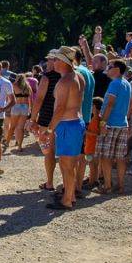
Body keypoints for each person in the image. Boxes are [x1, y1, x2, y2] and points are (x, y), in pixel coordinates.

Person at [45, 47, 85, 210]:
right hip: (75, 122)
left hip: (68, 125)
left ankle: (67, 200)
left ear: (63, 62)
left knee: (67, 165)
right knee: (70, 164)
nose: (52, 62)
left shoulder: (65, 81)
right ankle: (70, 195)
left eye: (55, 59)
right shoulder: (78, 76)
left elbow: (60, 108)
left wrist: (49, 130)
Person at [96, 60, 132, 194]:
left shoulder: (114, 83)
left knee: (106, 156)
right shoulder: (127, 84)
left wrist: (102, 123)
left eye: (110, 67)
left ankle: (107, 185)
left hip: (110, 124)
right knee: (120, 157)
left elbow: (110, 103)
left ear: (117, 69)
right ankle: (121, 186)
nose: (108, 69)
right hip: (122, 124)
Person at [31, 55, 61, 190]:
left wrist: (32, 119)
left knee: (49, 151)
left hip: (47, 119)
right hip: (64, 118)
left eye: (49, 59)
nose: (46, 62)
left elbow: (39, 99)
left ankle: (50, 182)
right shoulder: (68, 76)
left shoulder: (47, 77)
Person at [73, 47, 95, 192]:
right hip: (86, 117)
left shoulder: (77, 73)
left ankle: (72, 188)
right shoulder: (88, 72)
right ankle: (78, 186)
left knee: (74, 157)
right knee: (81, 156)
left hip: (76, 118)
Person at [6, 73, 32, 151]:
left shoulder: (14, 85)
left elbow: (10, 98)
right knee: (21, 128)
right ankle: (20, 146)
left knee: (12, 126)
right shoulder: (28, 87)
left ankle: (7, 143)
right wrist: (30, 109)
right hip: (25, 107)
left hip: (16, 106)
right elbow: (30, 100)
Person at [84, 97, 104, 188]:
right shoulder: (98, 118)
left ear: (95, 107)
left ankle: (91, 182)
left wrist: (86, 131)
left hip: (92, 147)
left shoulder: (96, 119)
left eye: (92, 106)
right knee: (94, 165)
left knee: (92, 166)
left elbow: (97, 133)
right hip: (93, 146)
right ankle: (95, 180)